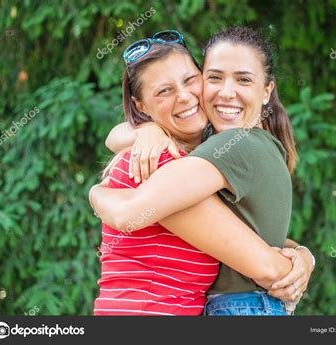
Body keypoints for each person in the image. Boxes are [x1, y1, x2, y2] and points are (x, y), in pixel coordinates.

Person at [91, 28, 314, 316]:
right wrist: (98, 193)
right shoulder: (155, 161)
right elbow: (266, 266)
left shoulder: (215, 154)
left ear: (267, 90)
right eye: (215, 78)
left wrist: (303, 255)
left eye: (189, 80)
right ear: (141, 106)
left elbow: (238, 231)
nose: (185, 97)